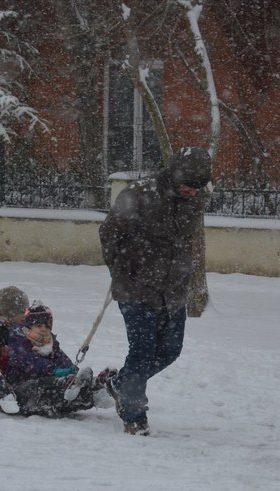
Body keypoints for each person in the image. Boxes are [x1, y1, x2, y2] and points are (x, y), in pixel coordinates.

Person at [98, 146, 212, 435]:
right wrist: (121, 269)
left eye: (197, 188)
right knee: (142, 351)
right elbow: (109, 234)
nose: (192, 192)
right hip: (136, 287)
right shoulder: (139, 194)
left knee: (171, 350)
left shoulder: (194, 200)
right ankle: (133, 414)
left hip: (173, 290)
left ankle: (121, 384)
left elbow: (185, 242)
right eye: (188, 185)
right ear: (175, 175)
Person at [5, 301, 115, 417]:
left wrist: (72, 371)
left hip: (47, 387)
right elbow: (29, 362)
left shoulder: (50, 344)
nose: (44, 329)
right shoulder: (19, 341)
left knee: (67, 389)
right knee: (49, 385)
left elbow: (62, 360)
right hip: (22, 389)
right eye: (38, 326)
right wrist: (54, 370)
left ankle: (94, 386)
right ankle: (71, 385)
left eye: (47, 326)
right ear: (28, 327)